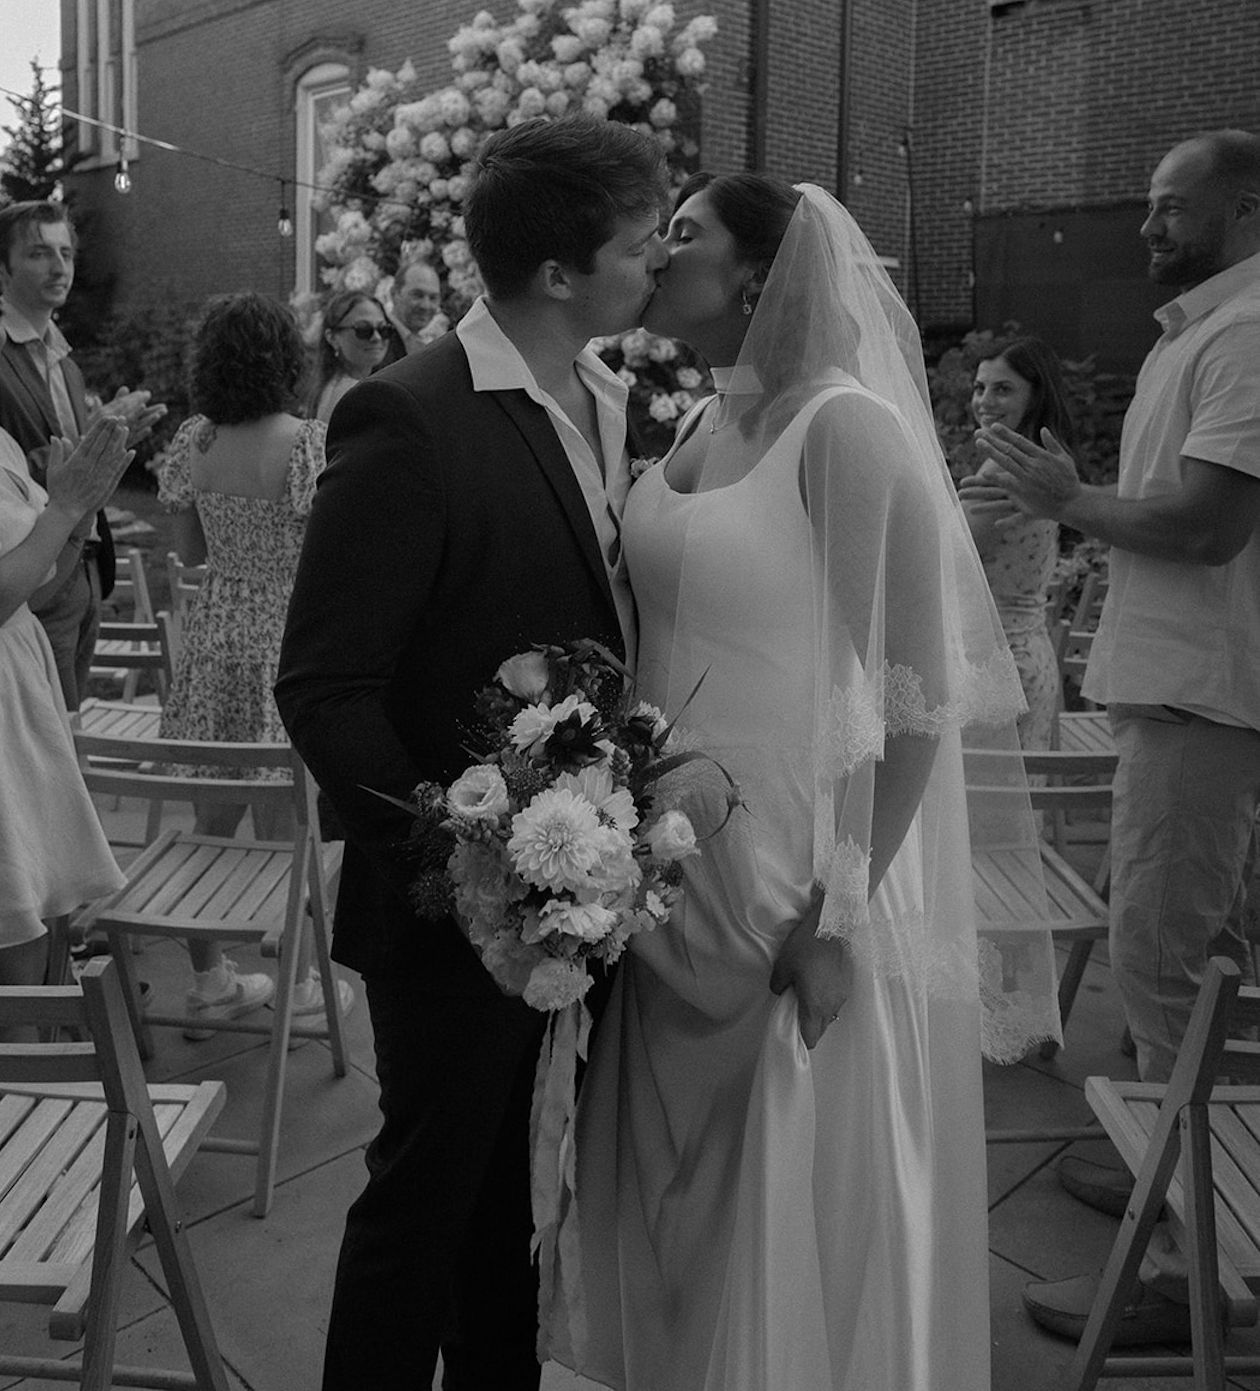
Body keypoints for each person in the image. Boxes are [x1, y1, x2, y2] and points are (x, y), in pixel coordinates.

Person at [542, 172, 1057, 1391]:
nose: (660, 256)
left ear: (760, 275)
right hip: (664, 865)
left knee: (766, 1153)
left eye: (687, 236)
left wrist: (839, 917)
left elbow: (918, 702)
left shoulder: (847, 429)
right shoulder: (691, 428)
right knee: (664, 1171)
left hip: (789, 868)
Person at [275, 114, 670, 1391]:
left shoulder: (614, 402)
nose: (656, 262)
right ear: (558, 273)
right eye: (636, 244)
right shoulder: (411, 414)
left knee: (520, 1196)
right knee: (424, 1208)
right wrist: (473, 857)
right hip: (456, 907)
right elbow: (324, 686)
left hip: (585, 889)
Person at [969, 130, 1260, 1347]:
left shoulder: (1244, 336)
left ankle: (1192, 1281)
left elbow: (1203, 527)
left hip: (1198, 702)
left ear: (1240, 208)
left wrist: (1062, 501)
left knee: (1152, 959)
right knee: (1203, 963)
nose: (1143, 226)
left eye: (1164, 207)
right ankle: (1163, 1170)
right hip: (1175, 690)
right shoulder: (1198, 330)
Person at [157, 292, 350, 1038]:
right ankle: (298, 984)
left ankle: (208, 983)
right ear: (283, 359)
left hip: (214, 641)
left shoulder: (195, 443)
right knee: (285, 826)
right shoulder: (307, 443)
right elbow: (325, 559)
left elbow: (194, 553)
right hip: (284, 640)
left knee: (207, 819)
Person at [0, 262, 129, 1014]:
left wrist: (79, 506)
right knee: (2, 928)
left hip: (18, 701)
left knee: (42, 915)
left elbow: (36, 580)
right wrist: (66, 504)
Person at [0, 201, 163, 708]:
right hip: (25, 574)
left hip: (82, 563)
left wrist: (109, 440)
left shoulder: (63, 356)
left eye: (66, 252)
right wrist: (86, 453)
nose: (59, 267)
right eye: (40, 253)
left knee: (70, 725)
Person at [960, 336, 1078, 751]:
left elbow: (946, 563)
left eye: (1003, 388)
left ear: (1036, 395)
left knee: (986, 811)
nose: (985, 400)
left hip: (997, 666)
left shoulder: (1005, 470)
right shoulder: (1039, 463)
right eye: (980, 388)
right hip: (1027, 656)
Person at [306, 290, 395, 424]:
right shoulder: (356, 394)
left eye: (383, 329)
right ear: (332, 338)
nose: (376, 338)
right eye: (363, 330)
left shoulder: (332, 386)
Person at [385, 258, 447, 361]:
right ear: (394, 294)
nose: (426, 306)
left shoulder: (422, 342)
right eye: (417, 295)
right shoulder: (379, 340)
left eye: (433, 298)